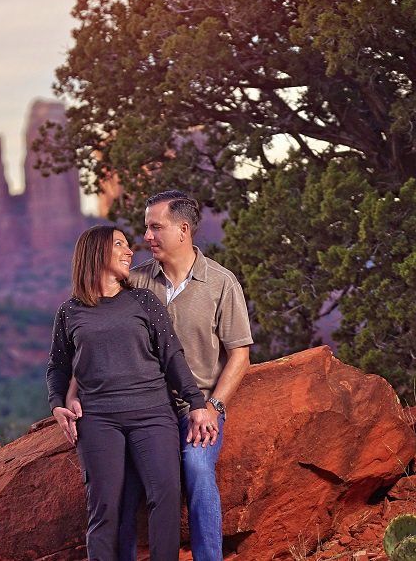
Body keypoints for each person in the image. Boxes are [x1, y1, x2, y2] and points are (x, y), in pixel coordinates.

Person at [65, 191, 253, 561]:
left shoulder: (220, 283)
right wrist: (73, 392)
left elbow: (240, 354)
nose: (146, 237)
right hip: (145, 406)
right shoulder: (133, 282)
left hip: (196, 406)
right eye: (146, 228)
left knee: (198, 470)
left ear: (183, 230)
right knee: (124, 489)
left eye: (155, 227)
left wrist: (212, 407)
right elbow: (89, 341)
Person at [47, 225, 218, 561]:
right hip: (98, 420)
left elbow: (171, 355)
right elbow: (58, 367)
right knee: (105, 505)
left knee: (166, 495)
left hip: (153, 414)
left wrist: (196, 403)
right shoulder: (69, 312)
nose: (130, 252)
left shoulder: (143, 301)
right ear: (96, 254)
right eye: (120, 245)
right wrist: (57, 404)